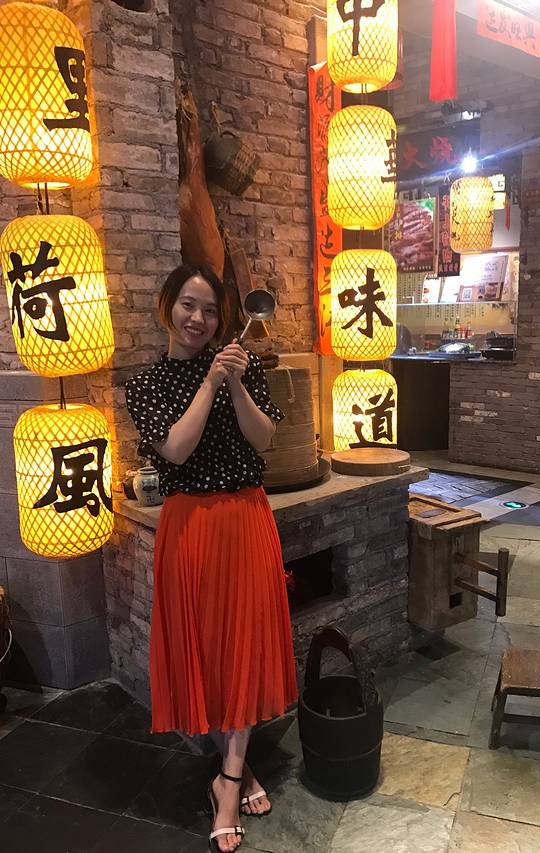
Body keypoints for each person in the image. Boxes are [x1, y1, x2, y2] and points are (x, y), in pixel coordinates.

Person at [125, 264, 298, 853]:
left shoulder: (242, 367)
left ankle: (228, 780)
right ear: (166, 306)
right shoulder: (147, 384)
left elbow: (263, 439)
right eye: (188, 305)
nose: (198, 319)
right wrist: (208, 382)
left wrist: (236, 383)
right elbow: (176, 448)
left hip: (247, 518)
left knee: (243, 644)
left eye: (208, 309)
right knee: (208, 647)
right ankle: (237, 768)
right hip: (191, 528)